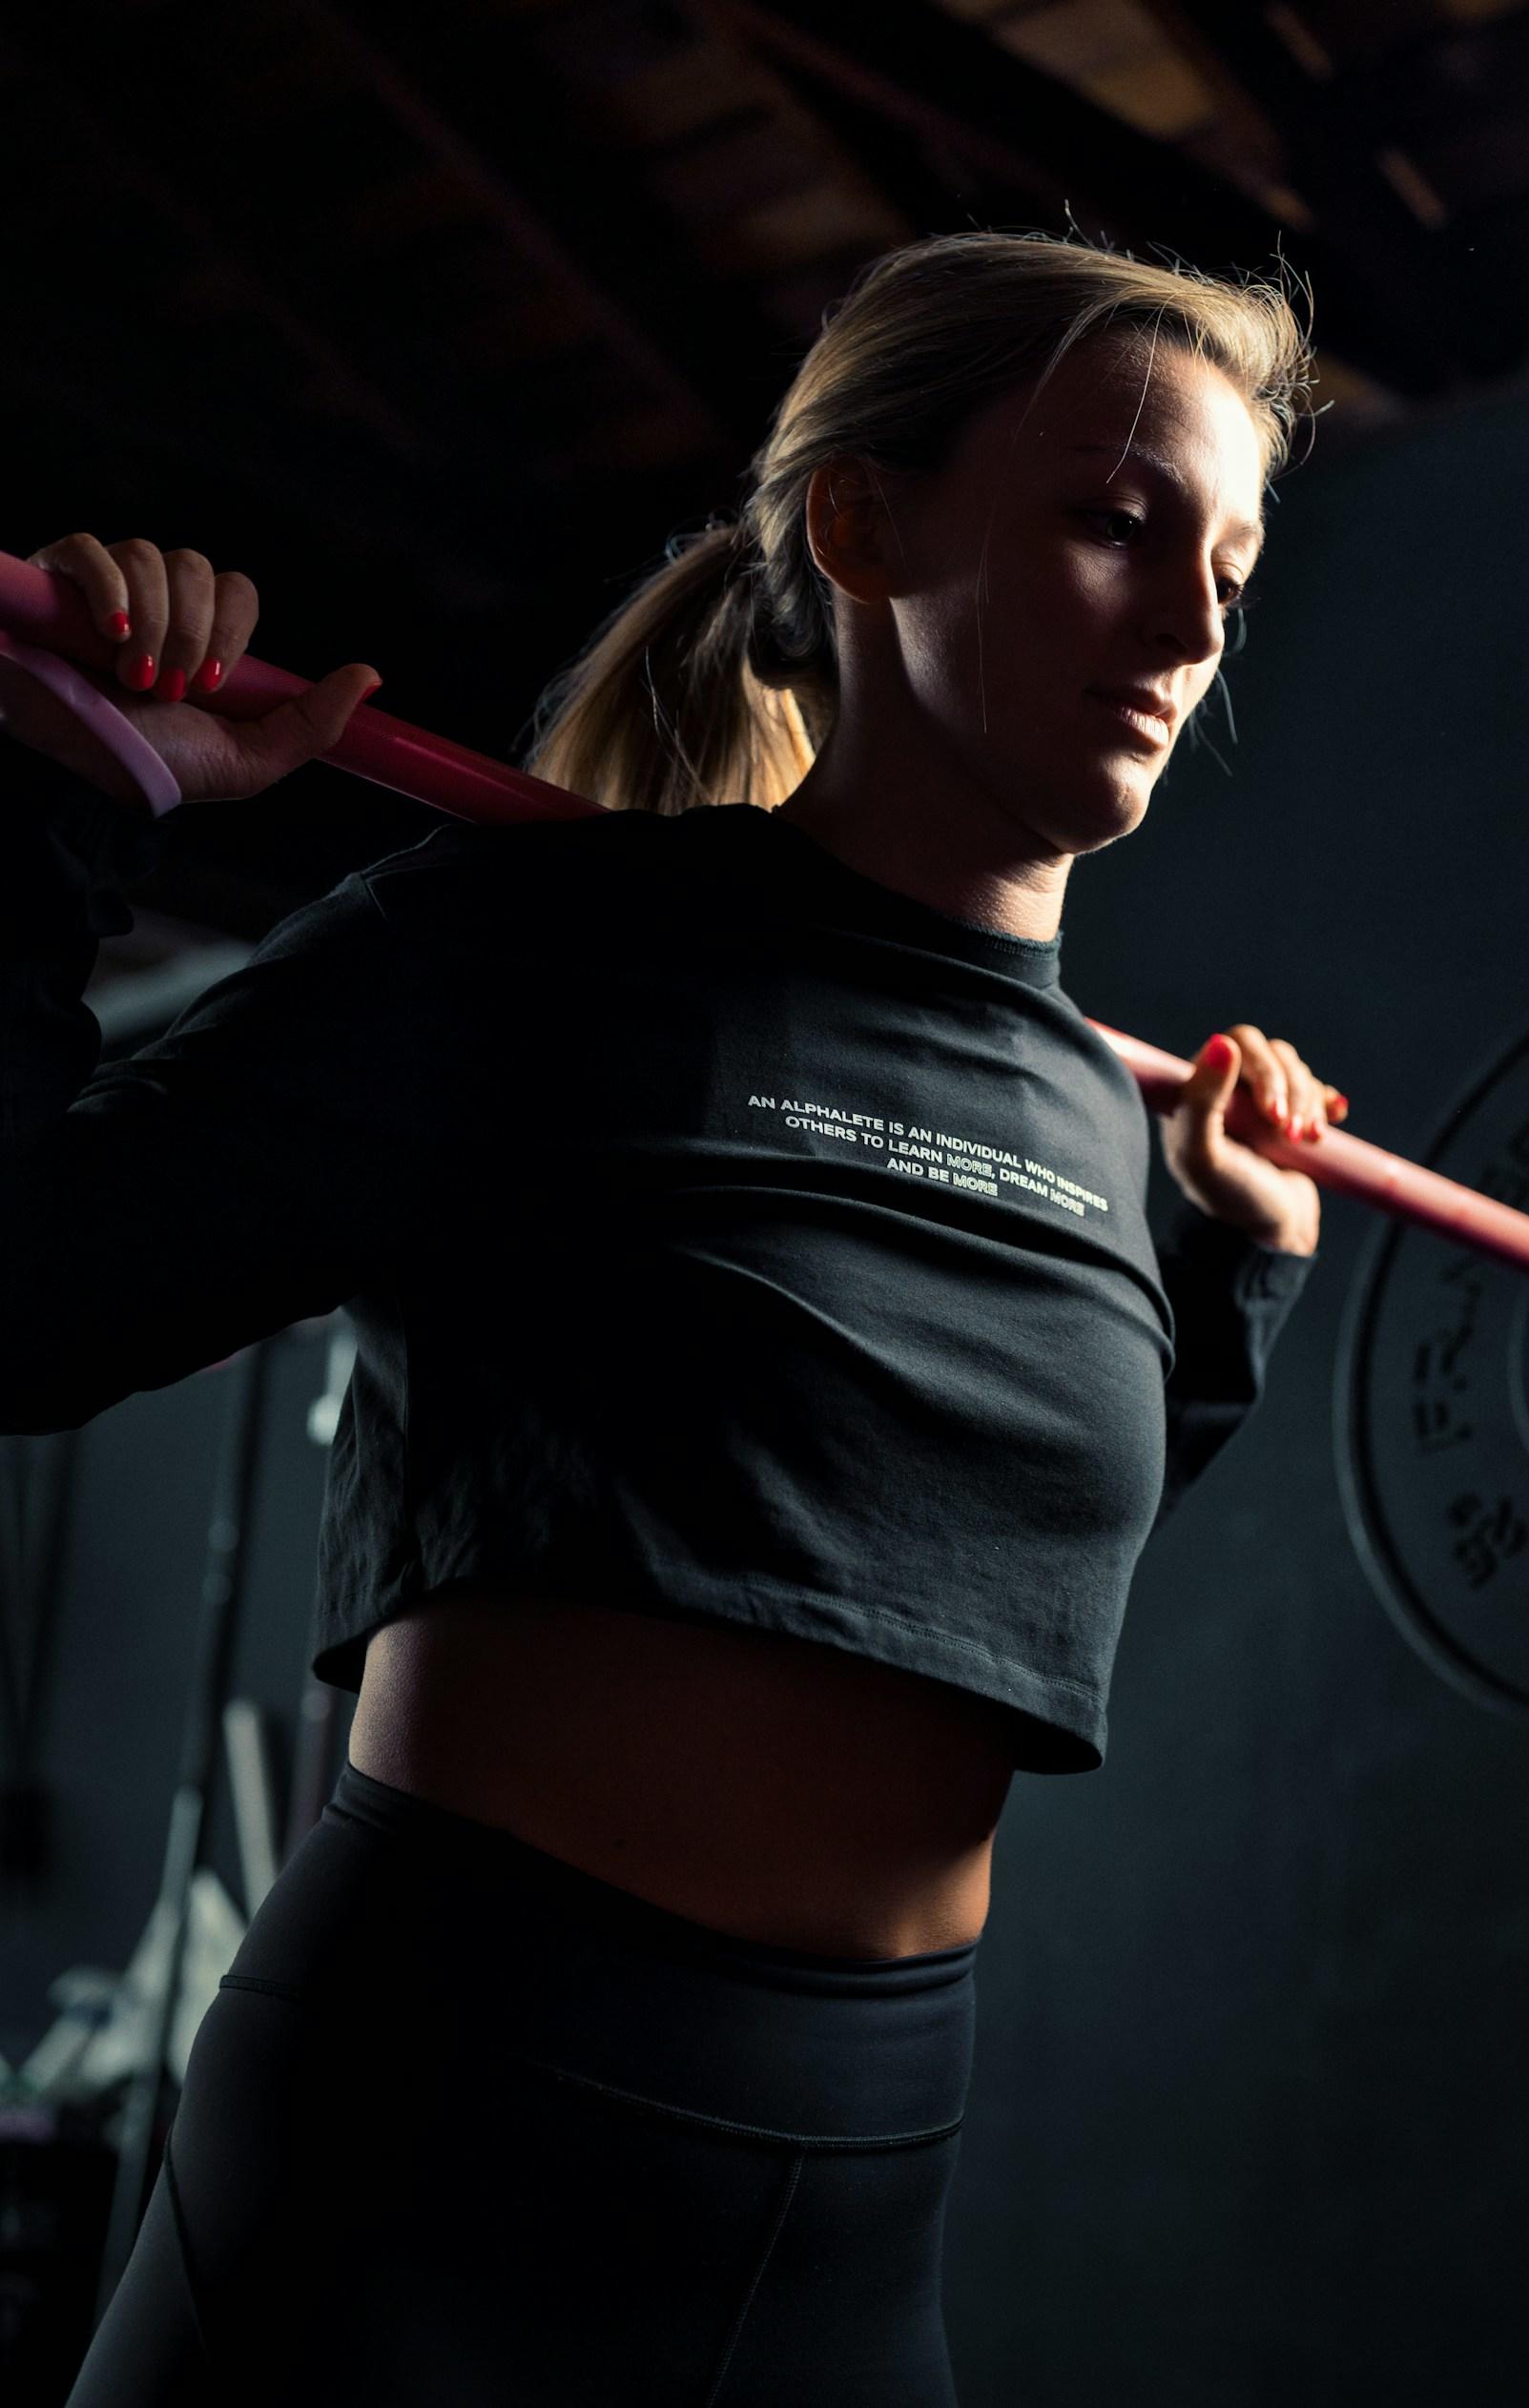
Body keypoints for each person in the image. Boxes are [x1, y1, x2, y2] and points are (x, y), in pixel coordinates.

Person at [4, 231, 1344, 2403]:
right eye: (1115, 522)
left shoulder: (1113, 1125)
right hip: (441, 2138)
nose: (1197, 626)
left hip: (858, 2190)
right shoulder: (538, 944)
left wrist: (1230, 1275)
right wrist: (70, 807)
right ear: (862, 519)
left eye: (1233, 562)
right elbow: (29, 1301)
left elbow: (944, 1577)